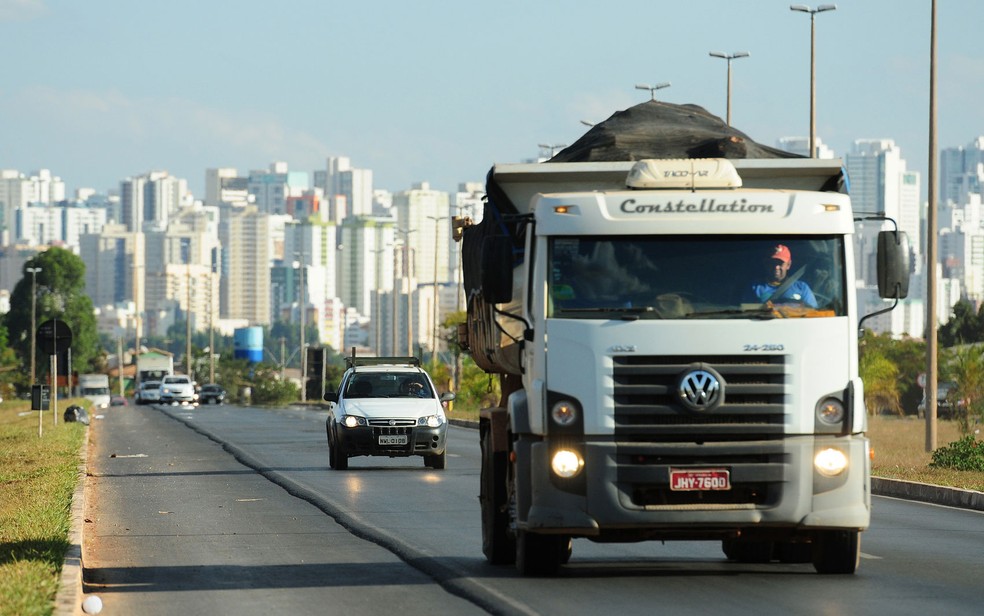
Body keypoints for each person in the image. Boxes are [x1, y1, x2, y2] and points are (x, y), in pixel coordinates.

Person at [747, 244, 818, 308]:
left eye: (780, 263)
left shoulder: (802, 288)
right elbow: (746, 313)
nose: (776, 267)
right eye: (773, 263)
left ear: (788, 265)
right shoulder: (755, 287)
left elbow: (813, 313)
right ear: (767, 263)